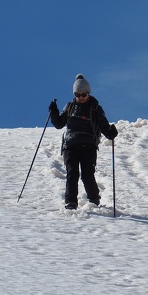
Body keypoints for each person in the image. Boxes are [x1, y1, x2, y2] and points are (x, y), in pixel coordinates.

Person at [48, 74, 118, 209]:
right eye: (78, 94)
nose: (80, 97)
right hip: (70, 145)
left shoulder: (95, 108)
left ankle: (94, 200)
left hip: (89, 145)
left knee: (87, 174)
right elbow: (59, 124)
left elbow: (104, 126)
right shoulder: (69, 107)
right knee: (72, 173)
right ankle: (70, 202)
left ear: (88, 93)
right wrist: (53, 111)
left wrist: (111, 133)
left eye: (83, 94)